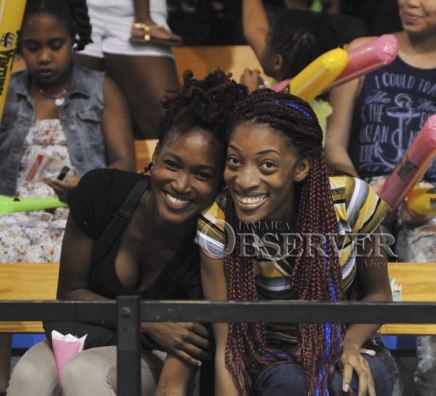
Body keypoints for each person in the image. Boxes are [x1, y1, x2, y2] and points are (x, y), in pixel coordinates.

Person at [6, 70, 249, 396]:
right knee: (28, 375)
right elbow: (70, 294)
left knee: (84, 374)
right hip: (88, 334)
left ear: (219, 181)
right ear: (156, 154)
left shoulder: (209, 242)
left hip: (154, 357)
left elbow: (183, 357)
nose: (181, 184)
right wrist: (146, 320)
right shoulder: (100, 192)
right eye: (173, 164)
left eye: (201, 174)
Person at [155, 89, 399, 395]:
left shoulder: (352, 201)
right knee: (291, 382)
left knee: (351, 382)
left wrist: (349, 344)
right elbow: (229, 346)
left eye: (266, 165)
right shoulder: (218, 223)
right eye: (234, 161)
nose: (244, 180)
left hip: (350, 342)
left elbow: (379, 295)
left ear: (301, 168)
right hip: (270, 357)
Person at [323, 0, 436, 393]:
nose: (411, 1)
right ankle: (331, 370)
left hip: (431, 197)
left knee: (433, 256)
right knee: (329, 240)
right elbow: (334, 145)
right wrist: (360, 191)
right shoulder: (367, 48)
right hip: (365, 190)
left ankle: (434, 387)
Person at [0, 1, 135, 392]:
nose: (43, 57)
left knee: (78, 247)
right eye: (32, 46)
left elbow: (124, 163)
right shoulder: (7, 91)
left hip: (76, 216)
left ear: (74, 40)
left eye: (55, 45)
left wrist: (88, 185)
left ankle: (67, 363)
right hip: (13, 213)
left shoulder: (100, 88)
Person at [73, 0, 182, 139]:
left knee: (171, 129)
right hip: (77, 8)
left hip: (137, 13)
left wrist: (143, 17)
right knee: (72, 123)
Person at [241, 0, 341, 135]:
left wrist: (250, 99)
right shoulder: (320, 100)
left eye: (266, 42)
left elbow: (258, 143)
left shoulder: (300, 119)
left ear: (277, 62)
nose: (263, 42)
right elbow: (255, 29)